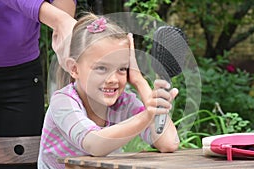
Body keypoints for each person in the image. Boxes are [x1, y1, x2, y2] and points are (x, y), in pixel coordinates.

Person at [38, 13, 180, 169]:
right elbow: (94, 144)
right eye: (101, 68)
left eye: (122, 69)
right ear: (74, 69)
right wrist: (147, 115)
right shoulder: (63, 102)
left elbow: (168, 143)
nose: (113, 79)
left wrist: (139, 80)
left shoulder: (124, 103)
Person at [0, 1, 76, 169]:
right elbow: (61, 19)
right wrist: (60, 19)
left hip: (21, 76)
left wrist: (61, 21)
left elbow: (64, 16)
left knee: (21, 163)